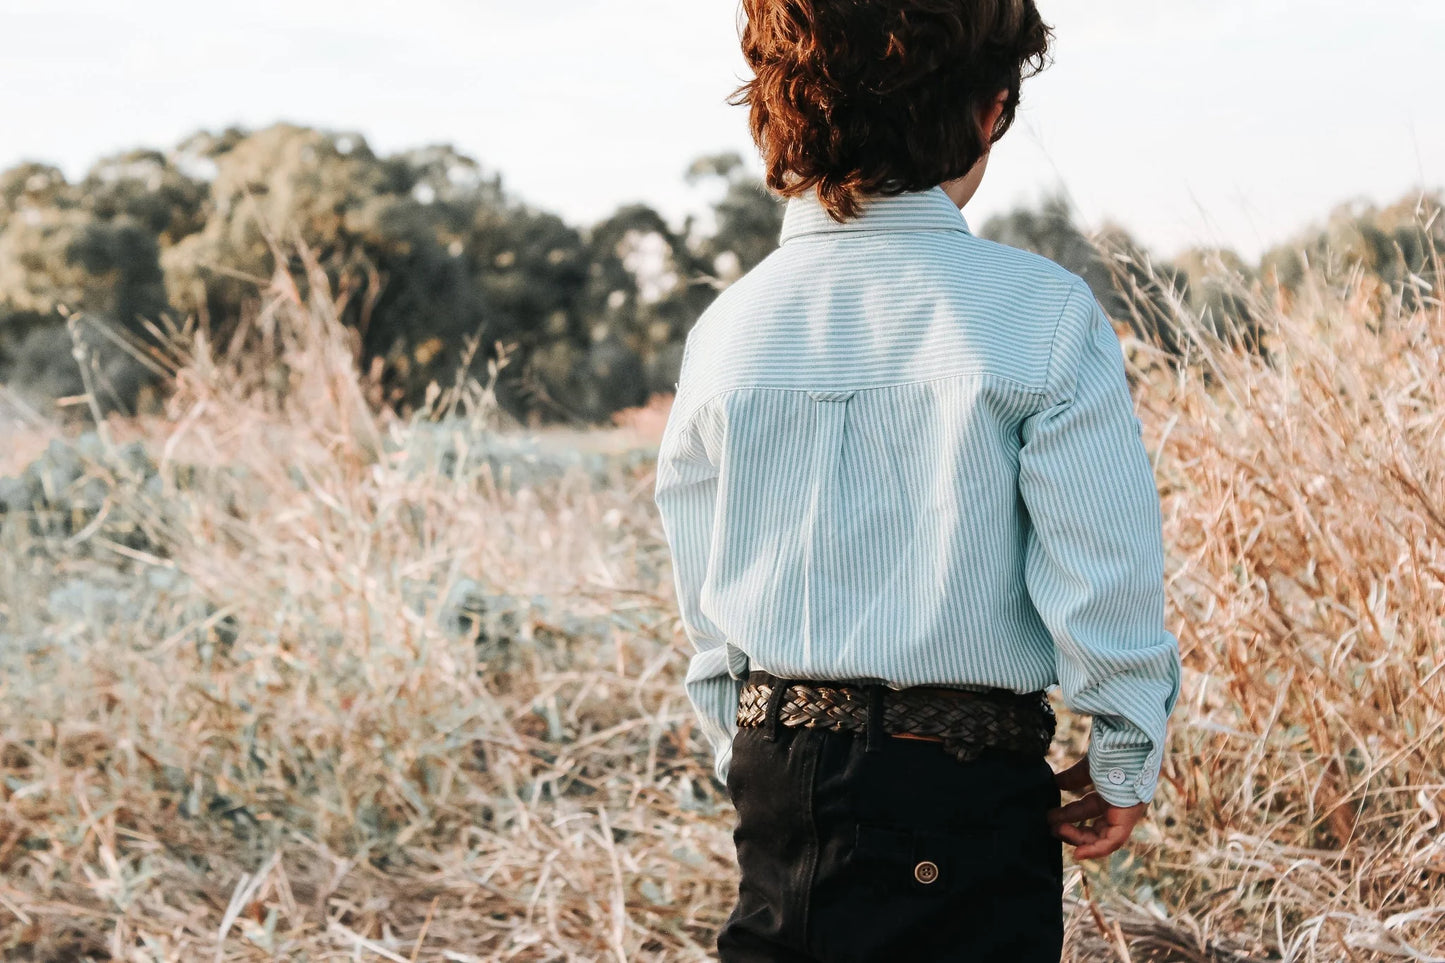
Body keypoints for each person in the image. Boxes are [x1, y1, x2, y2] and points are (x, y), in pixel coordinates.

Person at [652, 1, 1183, 960]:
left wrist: (745, 747)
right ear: (989, 108)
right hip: (959, 773)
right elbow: (1101, 567)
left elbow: (705, 589)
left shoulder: (726, 329)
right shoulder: (1041, 315)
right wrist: (1121, 750)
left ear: (778, 111)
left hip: (777, 765)